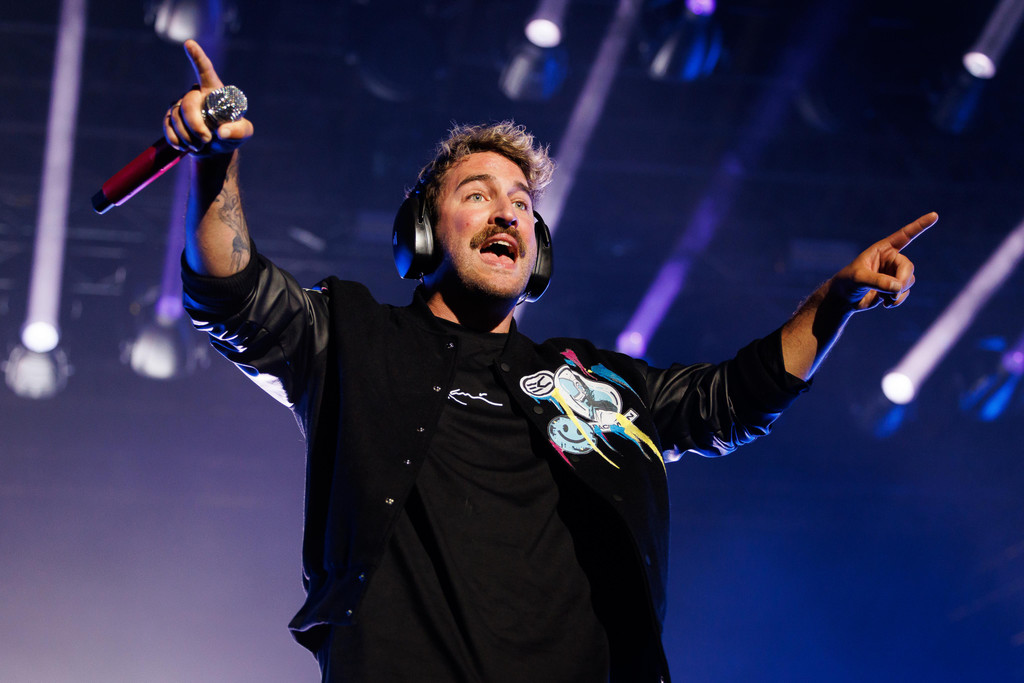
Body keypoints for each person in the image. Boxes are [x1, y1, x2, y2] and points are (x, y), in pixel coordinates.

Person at [166, 40, 935, 683]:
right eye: (478, 194)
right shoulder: (351, 337)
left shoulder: (594, 381)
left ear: (539, 251)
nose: (507, 211)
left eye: (523, 204)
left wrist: (832, 301)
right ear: (422, 232)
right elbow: (232, 293)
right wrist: (214, 166)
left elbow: (734, 400)